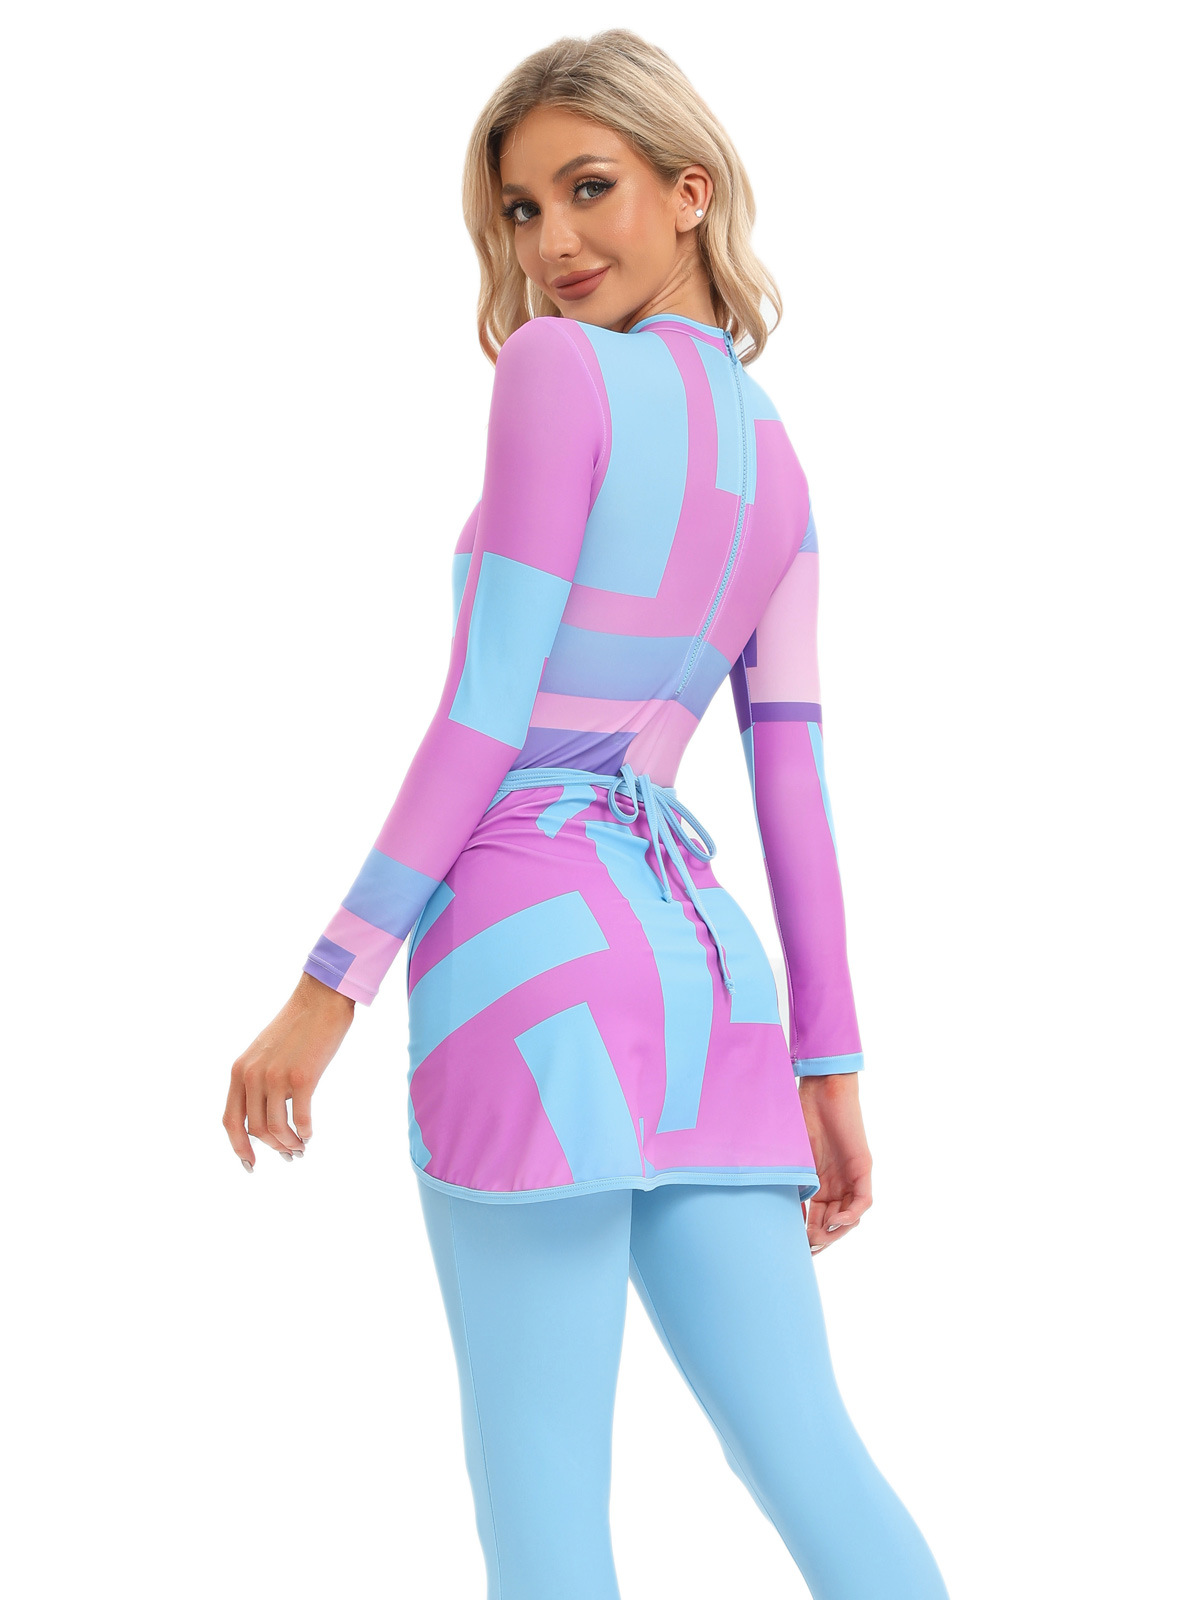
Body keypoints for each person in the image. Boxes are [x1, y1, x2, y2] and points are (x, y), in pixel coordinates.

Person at [223, 28, 951, 1600]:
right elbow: (793, 781)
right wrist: (826, 1064)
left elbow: (489, 713)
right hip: (709, 986)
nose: (551, 241)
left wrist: (325, 987)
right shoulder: (778, 456)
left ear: (690, 191)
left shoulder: (555, 374)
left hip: (526, 960)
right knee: (814, 1461)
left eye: (588, 188)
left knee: (541, 1498)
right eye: (520, 209)